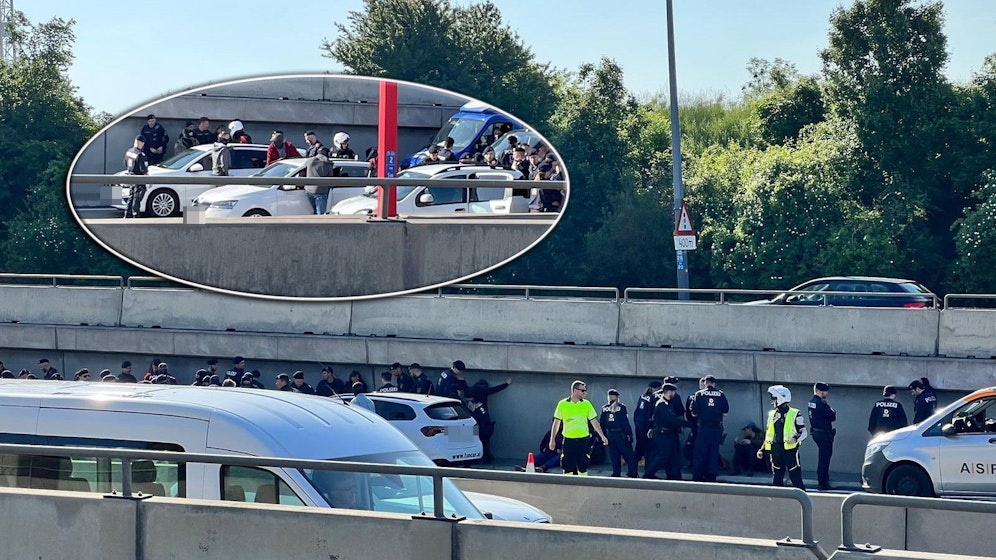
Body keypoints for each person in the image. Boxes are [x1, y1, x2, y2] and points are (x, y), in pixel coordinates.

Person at [549, 380, 609, 476]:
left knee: (583, 466)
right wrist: (552, 440)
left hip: (583, 440)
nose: (585, 393)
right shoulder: (562, 404)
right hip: (569, 440)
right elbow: (556, 423)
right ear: (575, 390)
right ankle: (568, 487)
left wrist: (602, 436)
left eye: (585, 390)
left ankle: (583, 486)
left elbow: (594, 421)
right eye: (583, 390)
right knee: (567, 467)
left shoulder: (586, 404)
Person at [759, 385, 807, 490]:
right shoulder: (772, 414)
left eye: (774, 398)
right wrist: (762, 449)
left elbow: (803, 432)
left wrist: (795, 439)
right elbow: (768, 434)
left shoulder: (795, 413)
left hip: (790, 451)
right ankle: (778, 502)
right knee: (777, 479)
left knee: (796, 478)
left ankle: (803, 501)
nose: (772, 402)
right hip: (776, 450)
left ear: (781, 398)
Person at [643, 383, 688, 480]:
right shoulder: (662, 404)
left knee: (672, 455)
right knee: (663, 455)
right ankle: (648, 473)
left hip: (669, 434)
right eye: (673, 392)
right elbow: (672, 420)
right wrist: (689, 424)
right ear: (669, 392)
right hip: (662, 434)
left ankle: (674, 476)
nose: (674, 394)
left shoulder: (668, 403)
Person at [689, 375, 729, 482]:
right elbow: (725, 412)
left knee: (700, 452)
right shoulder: (721, 394)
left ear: (705, 383)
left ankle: (697, 475)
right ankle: (712, 475)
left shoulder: (699, 394)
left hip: (704, 428)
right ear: (714, 383)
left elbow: (693, 413)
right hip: (716, 428)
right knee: (713, 452)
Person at [466, 378, 512, 463]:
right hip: (484, 424)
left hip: (474, 423)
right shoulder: (484, 393)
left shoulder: (471, 395)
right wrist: (506, 384)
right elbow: (495, 389)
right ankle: (486, 457)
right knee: (485, 441)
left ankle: (476, 458)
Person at [600, 389, 638, 477]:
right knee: (629, 455)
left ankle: (616, 473)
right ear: (617, 397)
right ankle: (632, 472)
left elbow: (602, 423)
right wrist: (629, 434)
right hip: (620, 434)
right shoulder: (621, 407)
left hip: (610, 434)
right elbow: (625, 422)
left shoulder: (604, 408)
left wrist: (603, 436)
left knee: (614, 455)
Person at [808, 381, 837, 490]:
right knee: (824, 458)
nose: (827, 393)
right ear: (820, 391)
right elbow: (832, 415)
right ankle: (823, 482)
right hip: (823, 434)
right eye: (825, 391)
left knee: (823, 457)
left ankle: (823, 480)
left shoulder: (811, 402)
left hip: (816, 432)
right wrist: (831, 409)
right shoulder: (821, 403)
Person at [633, 380, 662, 468]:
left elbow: (636, 412)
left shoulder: (642, 397)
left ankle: (632, 469)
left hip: (639, 425)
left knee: (639, 447)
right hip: (646, 426)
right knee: (648, 449)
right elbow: (651, 414)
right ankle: (648, 469)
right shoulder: (652, 399)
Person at [124, 135, 149, 218]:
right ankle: (135, 215)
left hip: (130, 176)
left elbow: (125, 163)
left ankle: (127, 214)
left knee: (131, 196)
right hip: (139, 178)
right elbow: (143, 170)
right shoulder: (141, 155)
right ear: (141, 143)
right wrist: (149, 179)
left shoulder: (129, 151)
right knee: (137, 197)